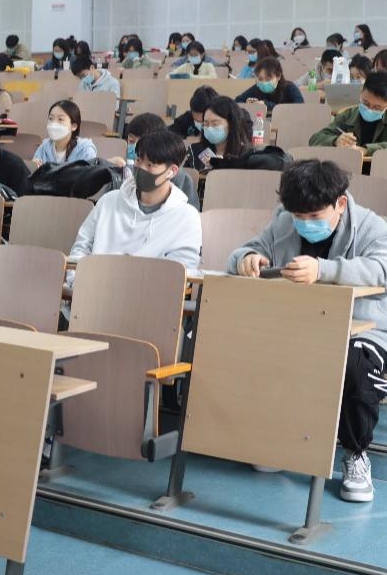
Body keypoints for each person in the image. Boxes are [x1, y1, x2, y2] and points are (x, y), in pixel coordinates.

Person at [228, 160, 387, 502]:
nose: (304, 223)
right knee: (256, 348)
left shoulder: (373, 227)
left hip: (361, 329)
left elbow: (382, 268)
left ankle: (356, 453)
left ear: (340, 204)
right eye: (299, 216)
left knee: (355, 368)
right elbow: (242, 252)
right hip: (300, 324)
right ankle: (280, 439)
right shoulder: (285, 221)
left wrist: (324, 269)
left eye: (314, 216)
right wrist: (247, 259)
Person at [69, 130, 200, 275]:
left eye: (150, 165)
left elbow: (181, 271)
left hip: (148, 288)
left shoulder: (186, 217)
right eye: (138, 160)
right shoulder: (109, 201)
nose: (141, 168)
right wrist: (76, 280)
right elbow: (81, 248)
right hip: (95, 283)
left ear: (172, 171)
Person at [309, 72, 387, 155]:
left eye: (377, 107)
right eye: (366, 103)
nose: (369, 109)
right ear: (361, 92)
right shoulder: (347, 115)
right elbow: (314, 140)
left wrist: (366, 150)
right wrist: (336, 140)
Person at [188, 96, 253, 171]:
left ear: (231, 124)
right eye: (206, 124)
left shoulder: (246, 155)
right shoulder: (194, 151)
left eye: (215, 124)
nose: (209, 128)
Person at [34, 100, 98, 165]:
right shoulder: (43, 148)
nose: (53, 124)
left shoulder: (85, 150)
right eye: (51, 118)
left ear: (74, 126)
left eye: (60, 119)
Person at [236, 57, 303, 113]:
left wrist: (266, 105)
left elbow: (300, 108)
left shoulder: (290, 88)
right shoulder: (257, 88)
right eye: (260, 79)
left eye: (268, 79)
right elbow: (237, 101)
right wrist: (248, 105)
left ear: (278, 76)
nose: (264, 82)